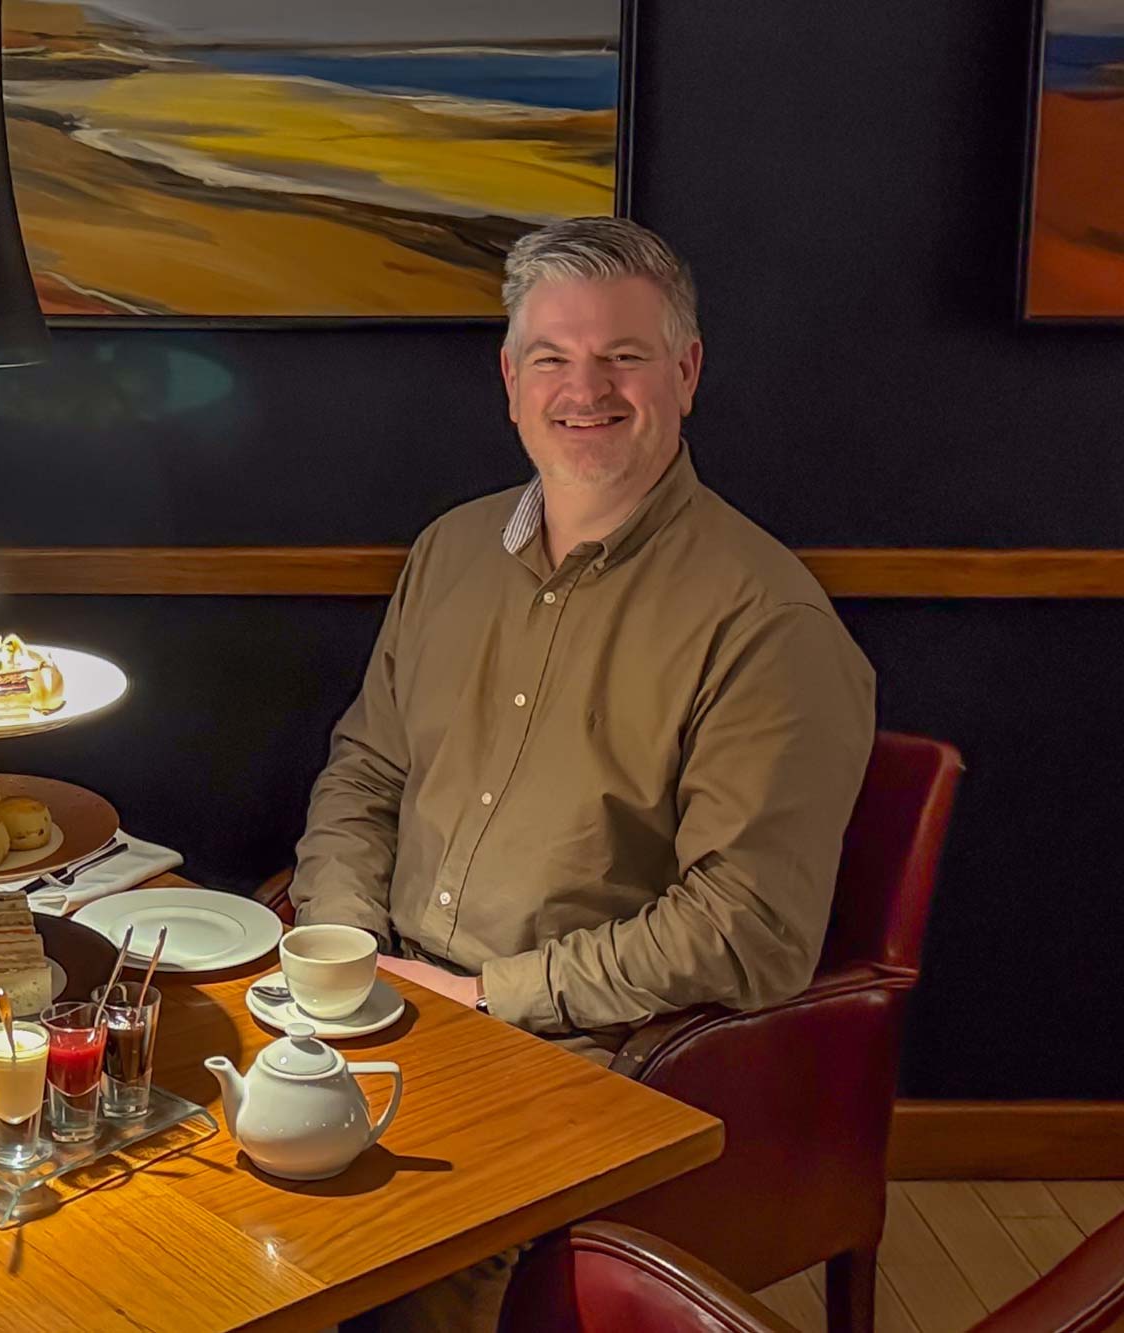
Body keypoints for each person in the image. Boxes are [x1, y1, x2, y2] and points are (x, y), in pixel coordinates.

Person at [290, 217, 876, 1331]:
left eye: (623, 356)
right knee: (179, 1219)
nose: (584, 388)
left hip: (582, 1057)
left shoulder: (766, 620)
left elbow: (749, 927)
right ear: (509, 380)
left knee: (381, 1294)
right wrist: (343, 949)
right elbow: (364, 772)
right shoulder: (447, 553)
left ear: (686, 372)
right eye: (551, 357)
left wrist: (485, 999)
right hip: (383, 1002)